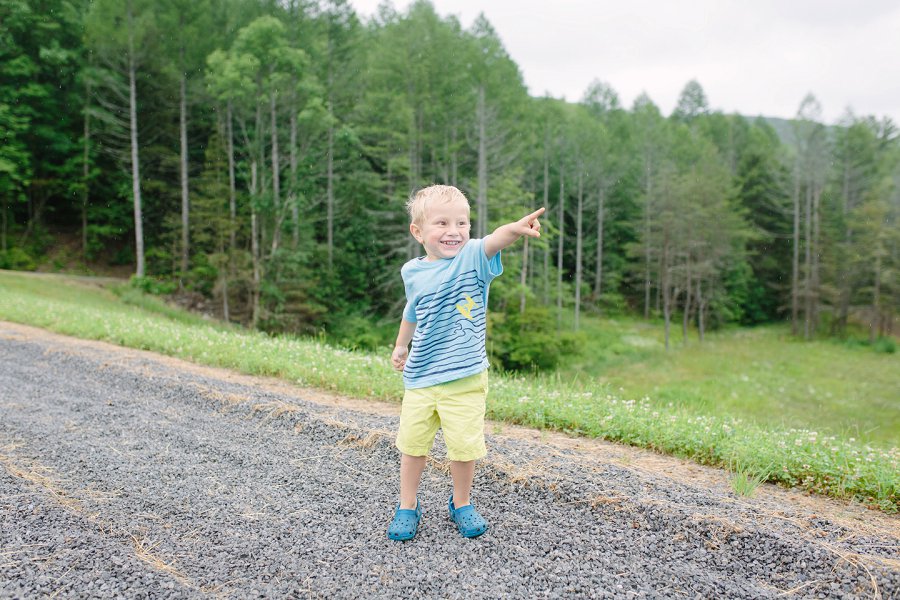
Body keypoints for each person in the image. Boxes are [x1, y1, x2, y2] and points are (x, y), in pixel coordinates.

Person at [387, 184, 544, 541]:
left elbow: (494, 239)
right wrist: (400, 345)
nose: (453, 231)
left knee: (463, 448)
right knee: (412, 447)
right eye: (441, 223)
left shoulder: (472, 257)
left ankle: (461, 503)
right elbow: (411, 312)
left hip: (466, 379)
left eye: (462, 222)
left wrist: (514, 229)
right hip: (421, 378)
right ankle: (407, 504)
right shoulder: (412, 271)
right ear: (418, 232)